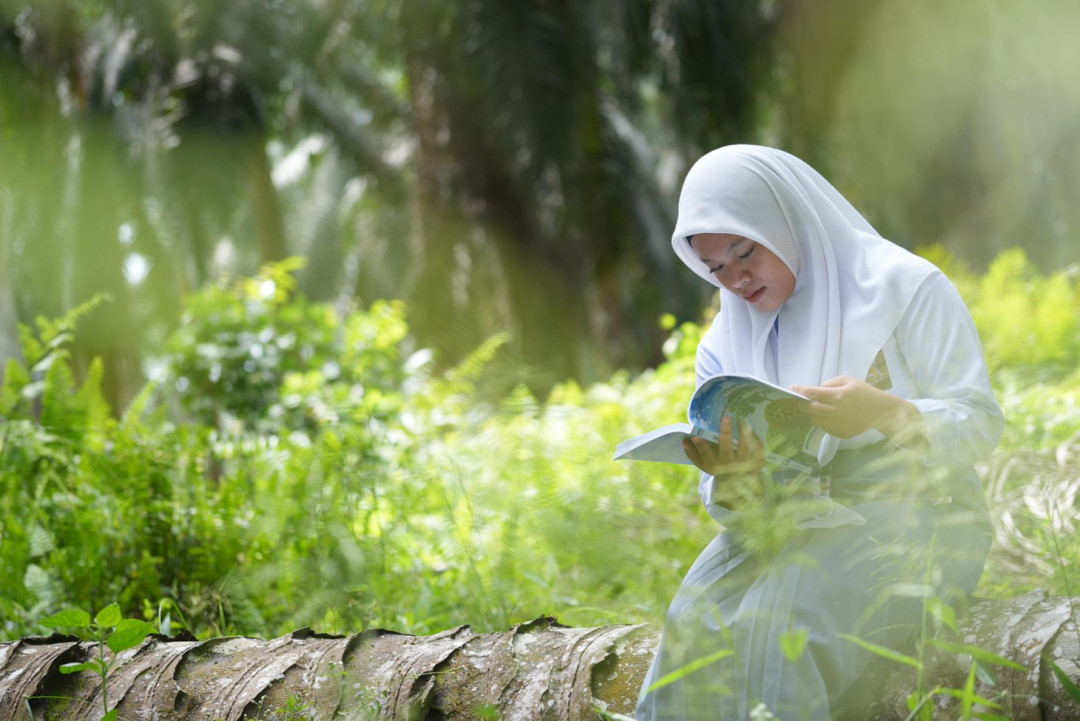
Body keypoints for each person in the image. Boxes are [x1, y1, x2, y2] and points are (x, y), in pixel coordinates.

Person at [634, 145, 1003, 720]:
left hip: (922, 516)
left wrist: (886, 414)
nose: (736, 279)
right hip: (793, 523)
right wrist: (735, 477)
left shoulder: (904, 289)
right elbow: (739, 512)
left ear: (784, 218)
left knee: (780, 625)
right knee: (693, 623)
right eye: (716, 270)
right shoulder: (725, 341)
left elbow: (979, 423)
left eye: (745, 251)